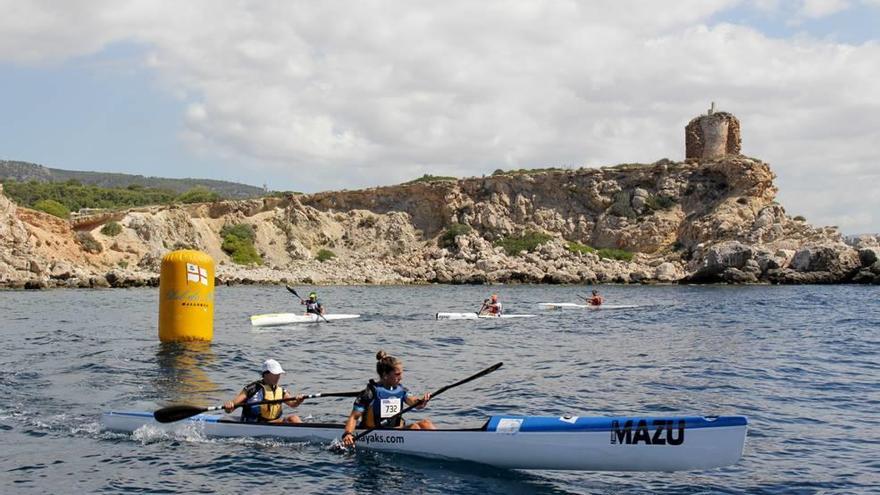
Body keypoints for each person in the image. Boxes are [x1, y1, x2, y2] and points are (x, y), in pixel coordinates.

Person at [341, 350, 435, 447]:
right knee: (414, 427)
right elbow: (354, 417)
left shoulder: (401, 390)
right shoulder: (370, 393)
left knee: (426, 423)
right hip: (375, 433)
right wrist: (347, 434)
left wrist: (422, 401)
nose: (401, 378)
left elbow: (415, 403)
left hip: (397, 431)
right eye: (397, 374)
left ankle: (437, 444)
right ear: (385, 375)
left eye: (401, 374)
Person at [223, 359, 304, 424]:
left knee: (294, 418)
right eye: (275, 374)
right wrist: (228, 407)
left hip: (273, 423)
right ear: (266, 374)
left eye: (279, 374)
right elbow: (230, 409)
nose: (278, 376)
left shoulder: (280, 390)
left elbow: (293, 404)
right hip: (254, 425)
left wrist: (299, 400)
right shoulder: (252, 389)